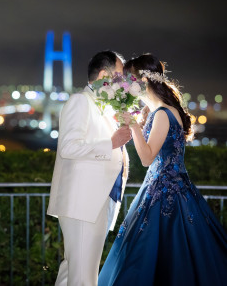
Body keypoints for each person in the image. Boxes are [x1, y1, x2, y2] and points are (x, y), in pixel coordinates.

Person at [98, 54, 227, 286]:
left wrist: (134, 126)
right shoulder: (158, 112)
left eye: (130, 79)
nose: (127, 85)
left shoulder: (162, 114)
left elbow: (147, 158)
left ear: (144, 82)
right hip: (168, 190)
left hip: (164, 195)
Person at [47, 50, 132, 285]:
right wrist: (112, 142)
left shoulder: (102, 106)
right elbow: (68, 147)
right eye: (120, 76)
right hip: (84, 204)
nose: (123, 82)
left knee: (72, 271)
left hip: (96, 202)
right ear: (104, 74)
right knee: (84, 277)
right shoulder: (80, 101)